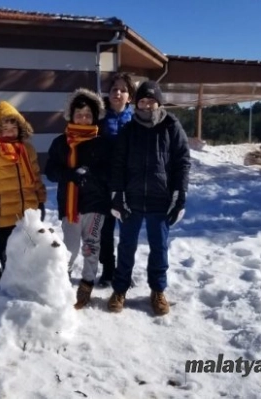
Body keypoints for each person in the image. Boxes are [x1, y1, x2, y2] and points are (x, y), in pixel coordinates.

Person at [107, 80, 191, 316]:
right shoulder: (128, 130)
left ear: (159, 102)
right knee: (126, 246)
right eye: (142, 101)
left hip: (160, 199)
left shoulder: (171, 126)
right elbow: (118, 164)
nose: (146, 105)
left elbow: (182, 162)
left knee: (159, 247)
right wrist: (117, 195)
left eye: (151, 101)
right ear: (137, 103)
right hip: (131, 198)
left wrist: (180, 194)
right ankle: (120, 289)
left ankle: (158, 291)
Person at [44, 88, 110, 309]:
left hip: (95, 205)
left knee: (91, 245)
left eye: (88, 115)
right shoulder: (60, 142)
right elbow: (51, 171)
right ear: (71, 115)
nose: (83, 118)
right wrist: (70, 175)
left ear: (94, 117)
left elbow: (109, 173)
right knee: (69, 247)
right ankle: (62, 281)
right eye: (79, 114)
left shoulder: (102, 143)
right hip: (70, 206)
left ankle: (87, 282)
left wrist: (91, 176)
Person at [0, 100, 47, 275]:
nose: (9, 132)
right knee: (8, 255)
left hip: (28, 213)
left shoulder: (27, 150)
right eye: (4, 129)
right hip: (4, 217)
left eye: (13, 128)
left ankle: (28, 284)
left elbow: (36, 178)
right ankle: (10, 290)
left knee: (29, 252)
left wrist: (41, 200)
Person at [96, 72, 137, 287]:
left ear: (129, 97)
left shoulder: (137, 120)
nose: (117, 93)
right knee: (105, 230)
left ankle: (124, 271)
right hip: (104, 183)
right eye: (114, 89)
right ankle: (108, 270)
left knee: (128, 231)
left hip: (129, 185)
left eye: (122, 90)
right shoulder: (99, 118)